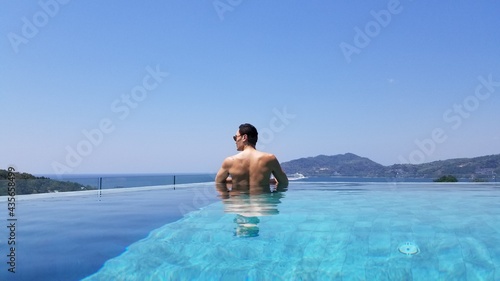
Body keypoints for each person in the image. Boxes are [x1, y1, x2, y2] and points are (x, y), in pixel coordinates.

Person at [215, 123, 289, 186]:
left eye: (235, 137)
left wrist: (237, 181)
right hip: (263, 203)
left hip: (238, 203)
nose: (235, 141)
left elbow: (218, 183)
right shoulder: (270, 158)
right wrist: (266, 182)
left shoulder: (229, 161)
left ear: (244, 137)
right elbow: (284, 182)